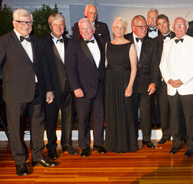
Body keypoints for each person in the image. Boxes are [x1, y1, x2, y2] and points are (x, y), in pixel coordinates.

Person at [0, 8, 56, 176]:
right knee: (16, 129)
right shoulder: (4, 41)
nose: (27, 25)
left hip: (37, 91)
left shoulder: (37, 41)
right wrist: (10, 81)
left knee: (37, 126)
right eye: (23, 22)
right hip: (15, 94)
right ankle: (20, 162)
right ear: (14, 23)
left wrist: (48, 89)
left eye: (29, 22)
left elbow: (44, 68)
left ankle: (37, 156)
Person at [160, 17, 193, 157]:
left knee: (190, 118)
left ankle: (191, 145)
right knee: (174, 118)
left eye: (181, 25)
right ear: (173, 27)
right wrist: (168, 79)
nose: (179, 28)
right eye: (176, 25)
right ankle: (176, 143)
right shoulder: (167, 43)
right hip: (171, 87)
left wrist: (182, 80)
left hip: (188, 86)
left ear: (186, 27)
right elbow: (162, 64)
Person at [65, 18, 106, 158]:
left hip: (100, 87)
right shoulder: (73, 45)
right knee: (83, 119)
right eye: (83, 29)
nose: (86, 31)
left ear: (94, 29)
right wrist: (76, 87)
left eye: (88, 28)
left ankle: (99, 144)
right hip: (82, 89)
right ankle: (84, 146)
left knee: (99, 117)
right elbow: (70, 69)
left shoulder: (102, 42)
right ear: (79, 31)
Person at [43, 13, 78, 160]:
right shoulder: (43, 43)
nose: (59, 27)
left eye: (61, 24)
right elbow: (42, 68)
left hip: (69, 87)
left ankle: (67, 144)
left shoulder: (71, 42)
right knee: (50, 119)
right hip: (52, 89)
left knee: (68, 118)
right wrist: (47, 89)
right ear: (51, 26)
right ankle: (51, 147)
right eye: (56, 25)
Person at [104, 17, 139, 153]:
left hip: (125, 80)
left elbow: (134, 67)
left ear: (125, 30)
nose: (119, 30)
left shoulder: (130, 45)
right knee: (112, 112)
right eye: (116, 27)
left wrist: (130, 86)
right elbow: (106, 64)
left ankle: (127, 145)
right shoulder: (108, 45)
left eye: (121, 28)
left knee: (126, 112)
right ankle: (112, 145)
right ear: (113, 29)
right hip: (111, 81)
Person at [124, 15, 159, 148]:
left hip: (146, 82)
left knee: (146, 114)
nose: (144, 29)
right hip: (129, 84)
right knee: (130, 112)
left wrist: (153, 82)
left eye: (145, 26)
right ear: (133, 27)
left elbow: (155, 64)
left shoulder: (152, 42)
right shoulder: (124, 39)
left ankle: (146, 139)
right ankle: (132, 138)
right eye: (141, 26)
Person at [154, 14, 176, 145]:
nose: (162, 26)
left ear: (169, 23)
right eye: (159, 24)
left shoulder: (178, 37)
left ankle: (179, 134)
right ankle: (166, 134)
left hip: (177, 82)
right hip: (162, 82)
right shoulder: (154, 41)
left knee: (177, 109)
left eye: (164, 23)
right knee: (164, 110)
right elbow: (155, 62)